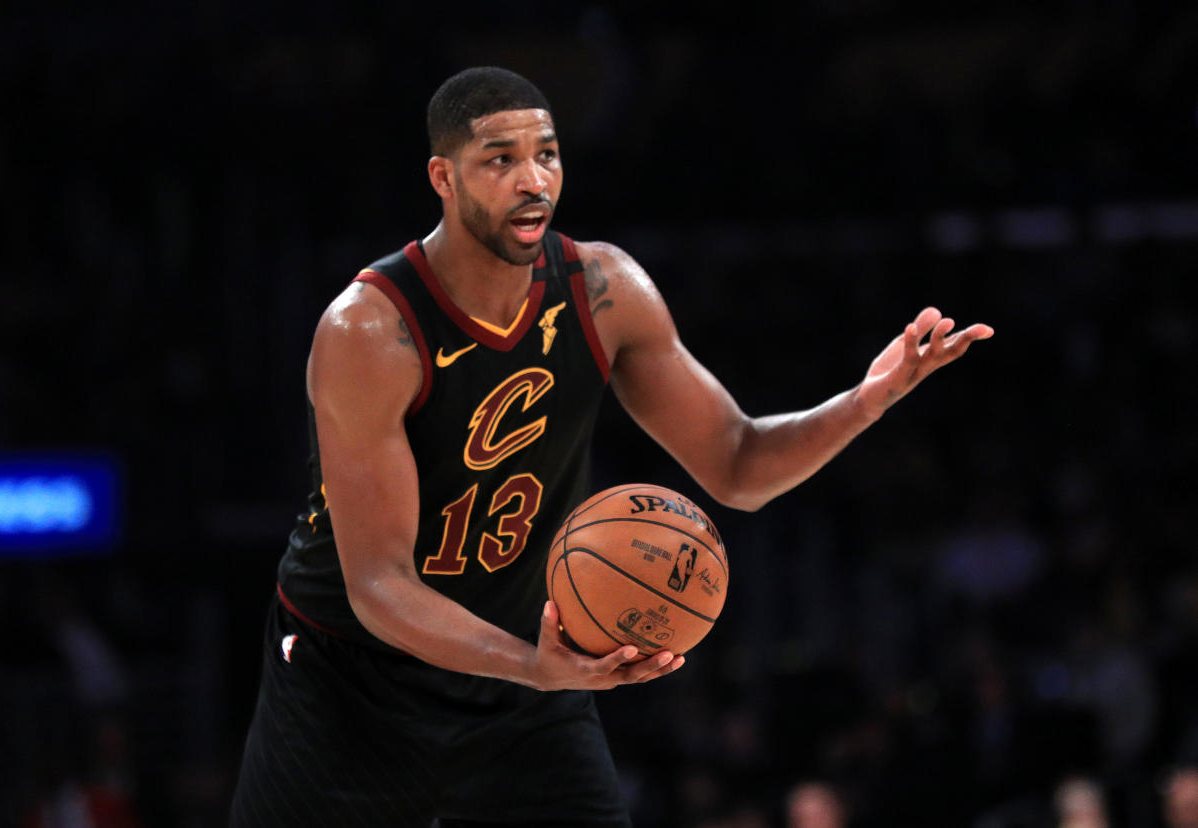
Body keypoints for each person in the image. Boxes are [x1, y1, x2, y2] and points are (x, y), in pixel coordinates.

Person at [229, 66, 993, 826]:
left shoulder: (604, 290)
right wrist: (534, 664)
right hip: (352, 678)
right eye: (501, 159)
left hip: (524, 675)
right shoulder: (370, 330)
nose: (533, 180)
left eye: (548, 154)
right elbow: (379, 587)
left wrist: (867, 400)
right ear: (443, 176)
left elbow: (738, 464)